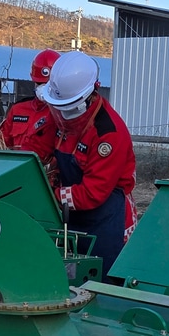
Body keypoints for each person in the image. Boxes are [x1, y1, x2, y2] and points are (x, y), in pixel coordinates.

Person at [36, 51, 137, 279]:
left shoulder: (109, 134)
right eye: (59, 107)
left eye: (71, 108)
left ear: (92, 93)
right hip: (70, 214)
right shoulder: (59, 116)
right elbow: (39, 148)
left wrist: (50, 196)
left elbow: (94, 192)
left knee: (102, 282)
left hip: (106, 217)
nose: (64, 115)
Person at [0, 49, 59, 158]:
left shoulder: (62, 115)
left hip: (45, 172)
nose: (43, 88)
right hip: (15, 167)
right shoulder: (18, 109)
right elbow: (1, 142)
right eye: (40, 83)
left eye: (48, 84)